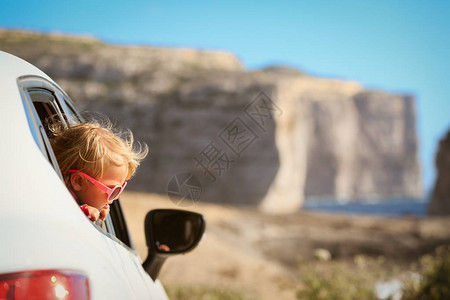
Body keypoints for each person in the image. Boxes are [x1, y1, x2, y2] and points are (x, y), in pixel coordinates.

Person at [49, 120, 148, 222]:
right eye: (112, 191)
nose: (114, 199)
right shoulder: (55, 200)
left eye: (119, 189)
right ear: (78, 181)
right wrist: (83, 213)